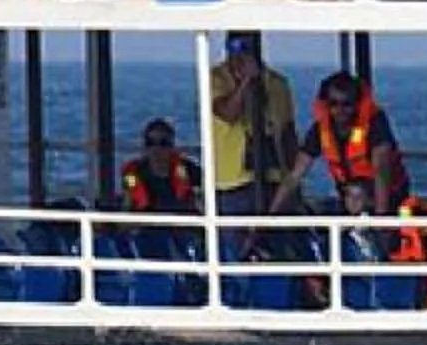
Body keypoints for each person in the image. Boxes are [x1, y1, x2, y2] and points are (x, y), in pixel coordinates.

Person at [293, 71, 410, 217]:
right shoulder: (321, 129)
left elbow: (381, 168)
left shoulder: (375, 123)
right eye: (333, 104)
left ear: (357, 104)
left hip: (388, 200)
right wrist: (269, 217)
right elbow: (295, 175)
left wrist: (382, 220)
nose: (340, 110)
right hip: (349, 200)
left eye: (346, 104)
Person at [209, 32, 299, 222]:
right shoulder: (215, 79)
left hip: (274, 179)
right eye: (235, 47)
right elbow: (228, 114)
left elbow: (288, 132)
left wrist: (293, 181)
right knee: (235, 245)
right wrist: (246, 82)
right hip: (232, 182)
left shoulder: (277, 84)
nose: (239, 53)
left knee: (278, 242)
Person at [118, 118, 204, 214]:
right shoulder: (133, 174)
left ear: (172, 146)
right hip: (147, 226)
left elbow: (201, 206)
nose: (156, 149)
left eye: (163, 143)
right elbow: (127, 207)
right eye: (150, 143)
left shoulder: (191, 170)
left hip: (182, 224)